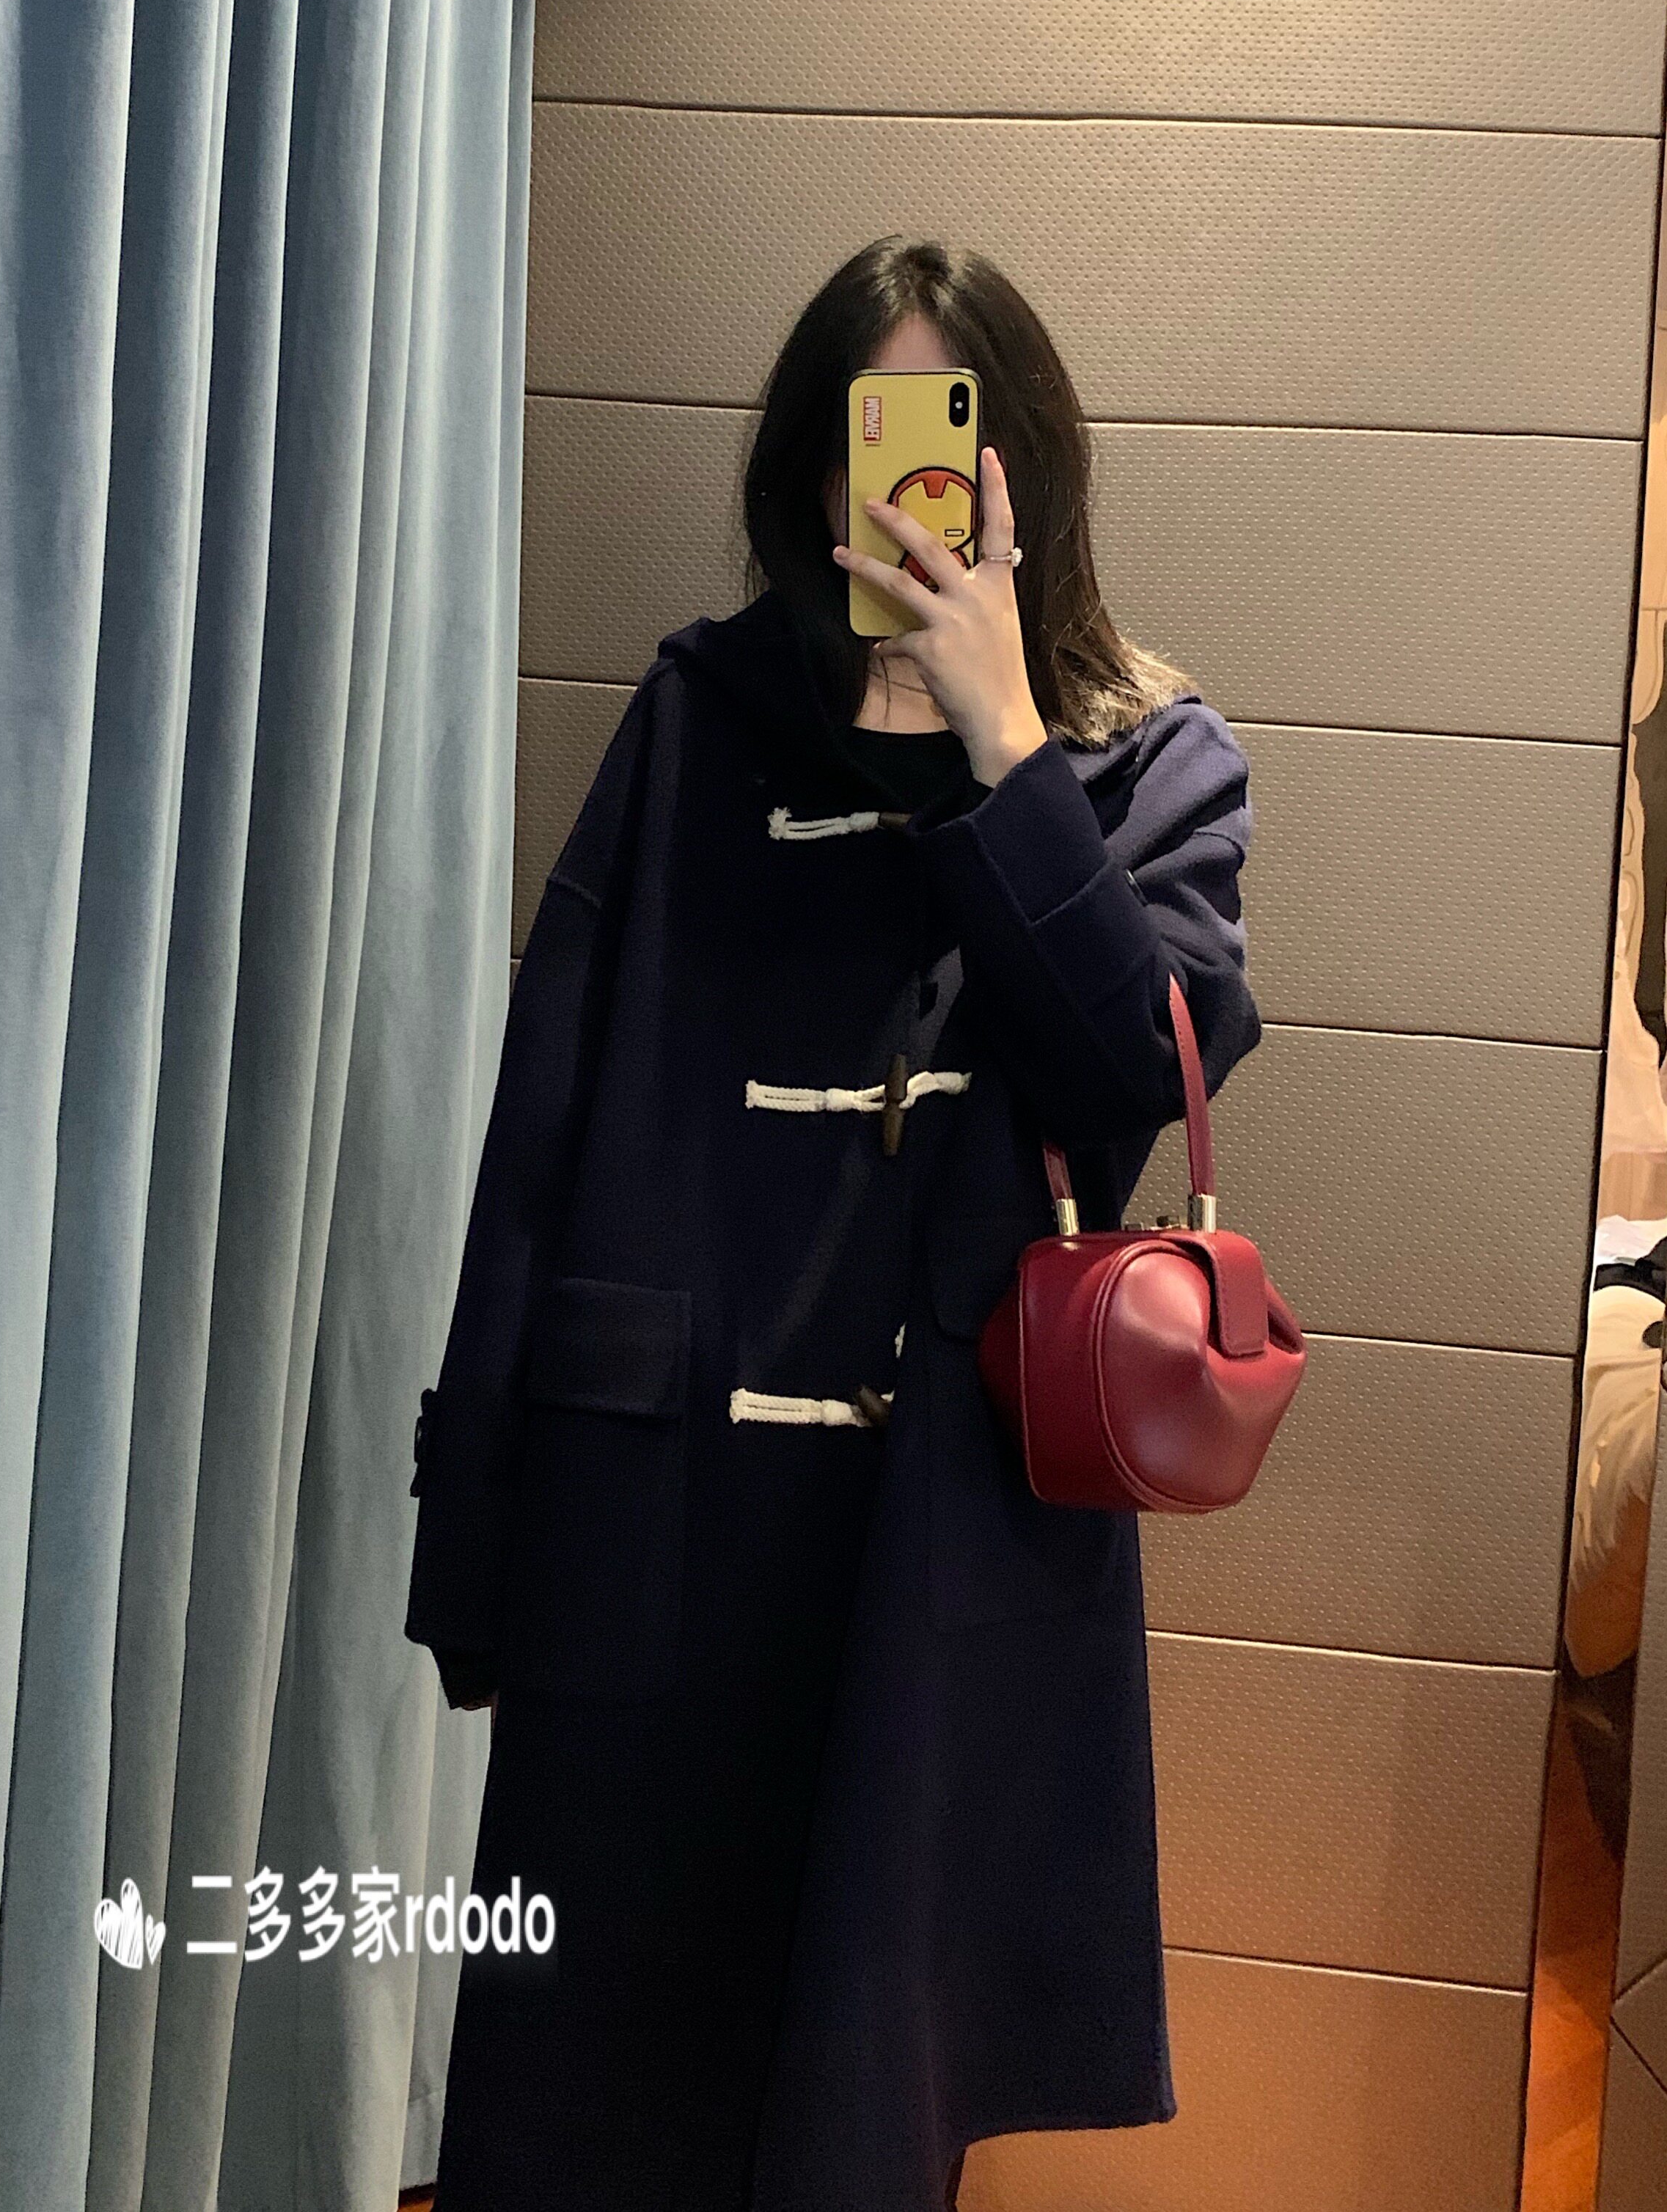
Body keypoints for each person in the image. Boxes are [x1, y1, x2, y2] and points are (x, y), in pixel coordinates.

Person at [406, 237, 1264, 2211]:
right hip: (655, 1518)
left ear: (1025, 475)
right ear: (815, 475)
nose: (907, 499)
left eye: (946, 444)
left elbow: (1130, 1079)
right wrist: (484, 1533)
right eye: (871, 445)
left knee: (854, 2118)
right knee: (583, 2103)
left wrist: (1006, 749)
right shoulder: (699, 716)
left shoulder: (1146, 762)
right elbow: (541, 1129)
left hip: (925, 1551)